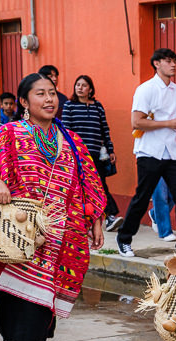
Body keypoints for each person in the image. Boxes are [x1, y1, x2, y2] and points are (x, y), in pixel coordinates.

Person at [0, 73, 106, 341]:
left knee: (45, 305)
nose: (49, 99)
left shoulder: (70, 139)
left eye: (52, 93)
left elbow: (89, 183)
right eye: (40, 93)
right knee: (30, 306)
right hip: (18, 237)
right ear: (24, 102)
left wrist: (95, 219)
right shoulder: (8, 134)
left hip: (61, 239)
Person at [116, 48, 176, 257]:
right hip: (149, 151)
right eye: (168, 61)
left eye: (174, 61)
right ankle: (124, 238)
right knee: (142, 198)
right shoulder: (146, 89)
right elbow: (136, 121)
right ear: (157, 64)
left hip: (173, 153)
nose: (173, 64)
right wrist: (168, 123)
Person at [62, 74, 123, 231]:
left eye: (83, 85)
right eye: (78, 85)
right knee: (81, 186)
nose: (80, 88)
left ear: (90, 89)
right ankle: (96, 217)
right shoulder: (69, 106)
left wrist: (110, 149)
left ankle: (108, 217)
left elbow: (105, 130)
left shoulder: (97, 106)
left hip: (95, 154)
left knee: (99, 184)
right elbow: (66, 131)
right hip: (77, 154)